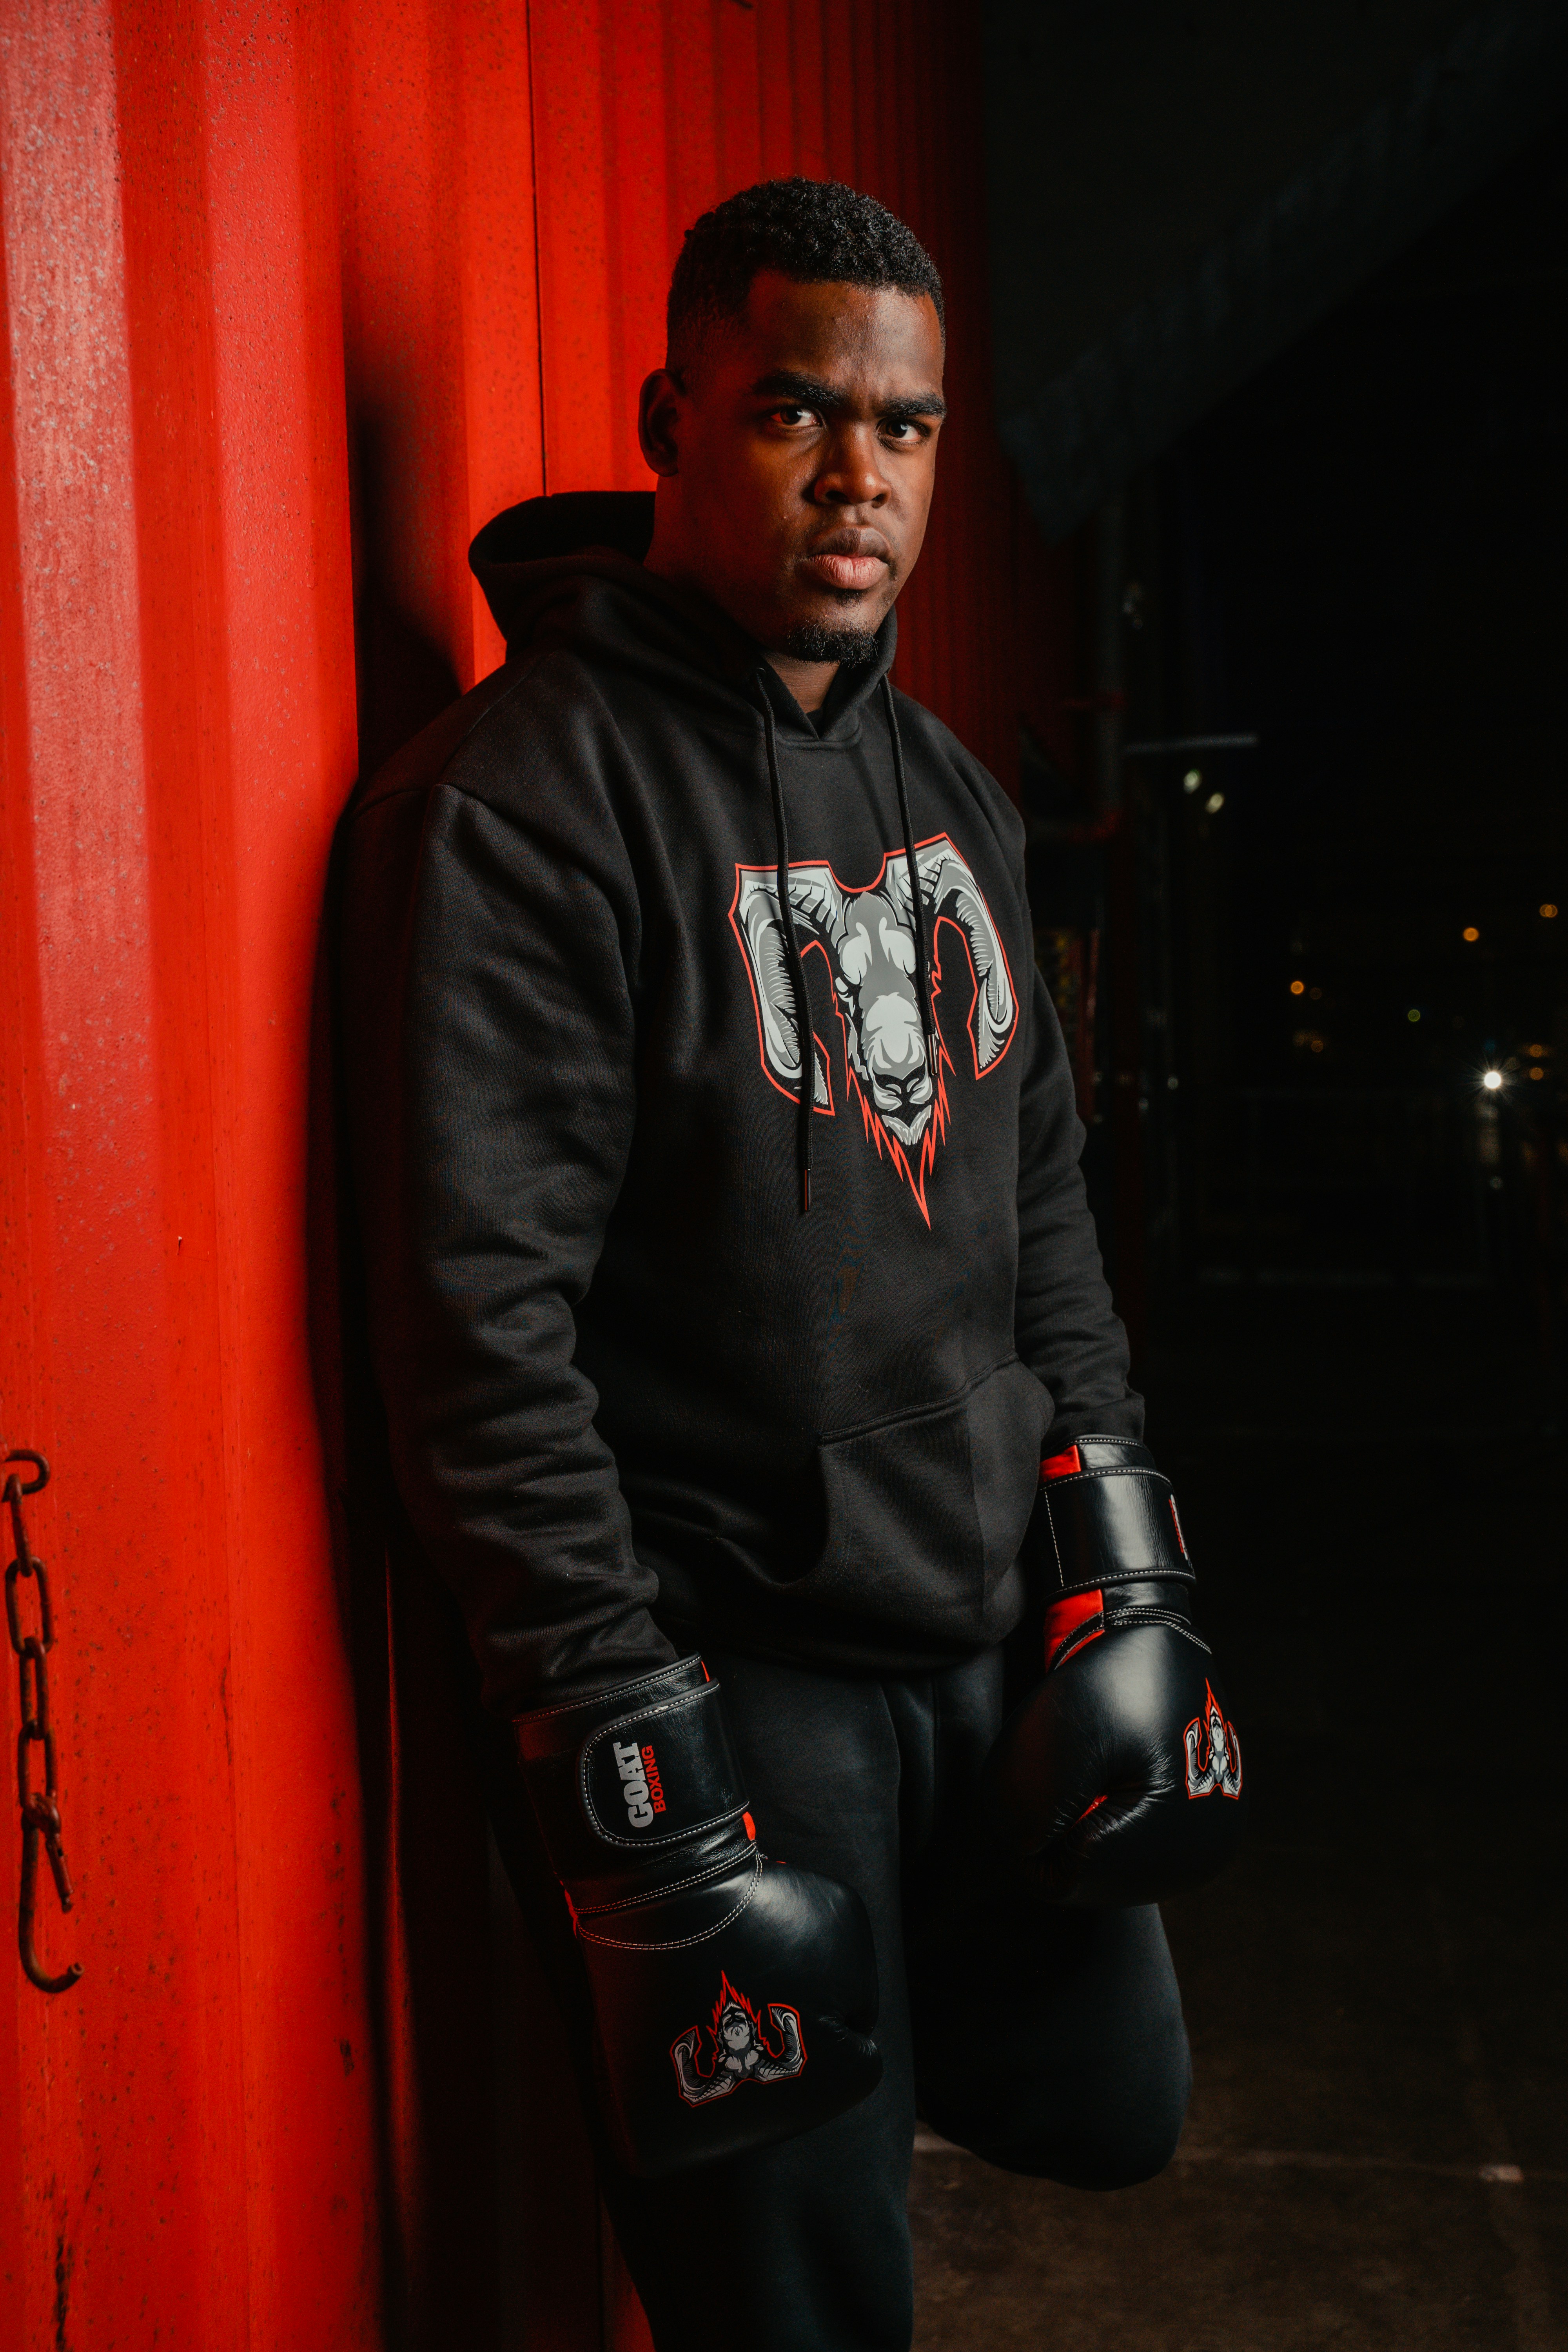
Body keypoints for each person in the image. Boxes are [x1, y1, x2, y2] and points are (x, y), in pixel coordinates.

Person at [340, 176, 1243, 2352]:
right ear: (674, 420)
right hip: (740, 1664)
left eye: (905, 428)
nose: (861, 478)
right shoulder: (521, 809)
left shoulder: (953, 795)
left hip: (980, 1613)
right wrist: (621, 1742)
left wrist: (1116, 1560)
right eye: (795, 413)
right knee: (803, 2315)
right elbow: (480, 1340)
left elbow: (1043, 1213)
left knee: (1114, 2104)